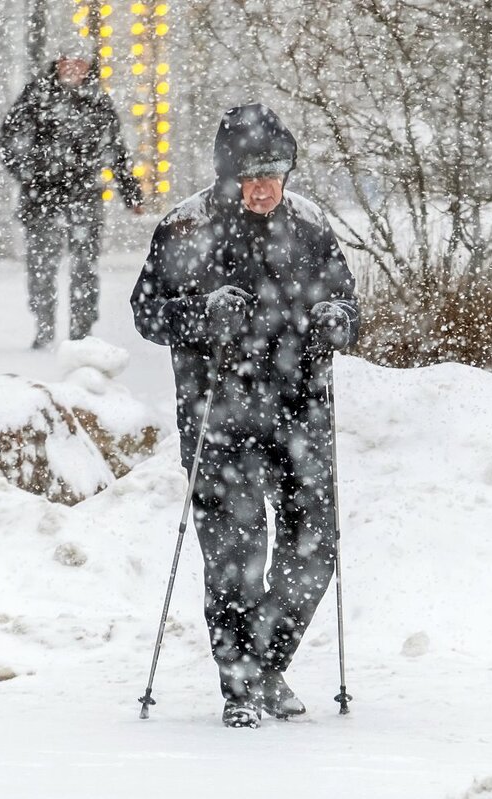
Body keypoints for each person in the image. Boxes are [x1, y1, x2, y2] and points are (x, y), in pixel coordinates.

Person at [130, 104, 359, 728]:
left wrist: (339, 320)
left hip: (299, 412)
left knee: (313, 550)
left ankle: (264, 665)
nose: (264, 187)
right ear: (226, 175)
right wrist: (201, 315)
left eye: (275, 172)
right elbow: (147, 316)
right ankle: (239, 687)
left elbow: (345, 298)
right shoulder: (186, 228)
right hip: (218, 419)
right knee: (234, 557)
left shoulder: (311, 226)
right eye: (250, 175)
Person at [0, 43, 144, 349]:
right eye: (69, 62)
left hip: (84, 195)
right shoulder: (36, 96)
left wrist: (129, 190)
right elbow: (10, 140)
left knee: (85, 268)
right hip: (41, 198)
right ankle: (44, 327)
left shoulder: (97, 101)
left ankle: (81, 331)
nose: (74, 69)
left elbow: (115, 149)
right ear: (58, 62)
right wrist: (32, 171)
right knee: (41, 266)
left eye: (81, 63)